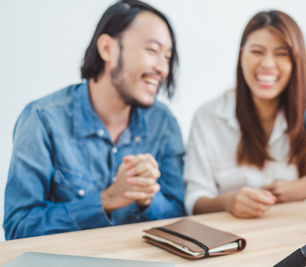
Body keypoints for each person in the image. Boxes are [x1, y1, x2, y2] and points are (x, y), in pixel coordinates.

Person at [4, 0, 185, 240]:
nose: (163, 68)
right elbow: (18, 227)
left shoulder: (164, 123)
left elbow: (181, 216)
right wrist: (106, 200)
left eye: (167, 56)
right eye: (152, 51)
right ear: (108, 48)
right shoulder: (42, 119)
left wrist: (147, 199)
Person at [184, 10, 306, 218]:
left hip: (294, 234)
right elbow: (195, 200)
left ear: (296, 62)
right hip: (231, 237)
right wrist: (227, 202)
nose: (268, 64)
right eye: (257, 51)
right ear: (241, 55)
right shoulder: (208, 117)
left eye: (281, 54)